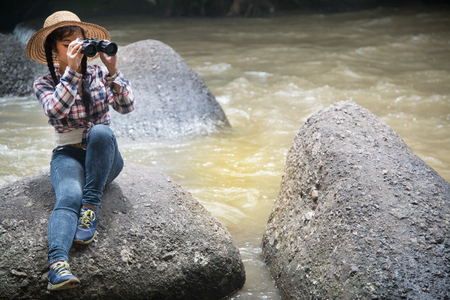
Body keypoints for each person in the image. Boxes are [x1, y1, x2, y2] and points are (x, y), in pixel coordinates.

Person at [26, 11, 135, 291]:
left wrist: (112, 70)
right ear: (53, 50)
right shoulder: (44, 83)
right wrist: (72, 72)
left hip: (104, 156)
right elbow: (55, 109)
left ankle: (91, 207)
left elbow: (127, 106)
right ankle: (58, 266)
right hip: (68, 153)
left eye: (80, 42)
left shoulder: (98, 73)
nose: (76, 48)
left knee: (101, 131)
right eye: (67, 44)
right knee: (68, 196)